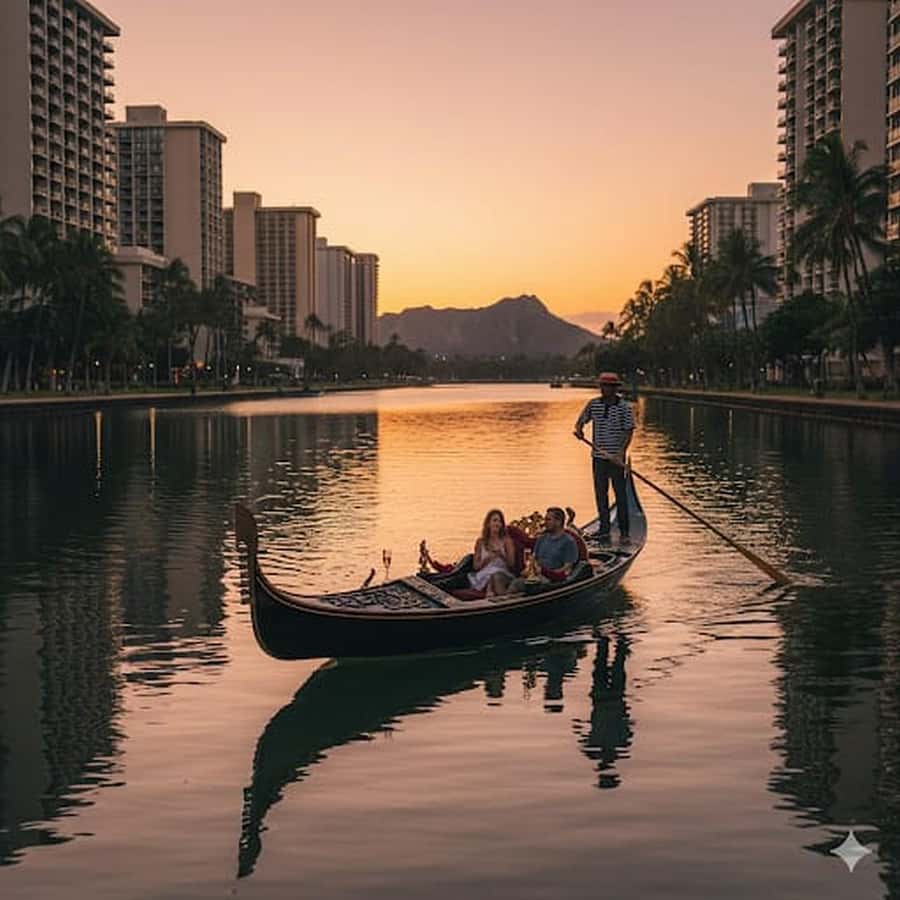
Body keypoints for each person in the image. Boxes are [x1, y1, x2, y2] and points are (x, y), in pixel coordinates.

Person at [573, 371, 635, 543]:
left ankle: (624, 533)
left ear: (615, 389)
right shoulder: (593, 405)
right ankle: (604, 530)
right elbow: (581, 421)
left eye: (609, 386)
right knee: (601, 494)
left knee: (621, 496)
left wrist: (620, 453)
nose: (605, 389)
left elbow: (629, 431)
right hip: (598, 457)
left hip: (616, 459)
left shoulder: (624, 408)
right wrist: (579, 430)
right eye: (603, 386)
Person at [509, 507, 580, 592]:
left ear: (558, 522)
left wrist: (548, 573)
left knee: (518, 584)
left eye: (548, 520)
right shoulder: (542, 539)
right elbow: (534, 560)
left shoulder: (568, 542)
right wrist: (531, 570)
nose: (545, 523)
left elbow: (567, 570)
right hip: (537, 577)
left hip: (553, 582)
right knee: (510, 580)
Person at [468, 509, 516, 596]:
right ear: (488, 524)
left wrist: (501, 555)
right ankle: (490, 590)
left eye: (500, 521)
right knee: (489, 575)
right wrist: (487, 559)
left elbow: (511, 564)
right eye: (494, 520)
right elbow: (475, 567)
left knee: (495, 574)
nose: (497, 524)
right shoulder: (480, 542)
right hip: (484, 574)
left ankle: (491, 591)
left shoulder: (507, 541)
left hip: (503, 574)